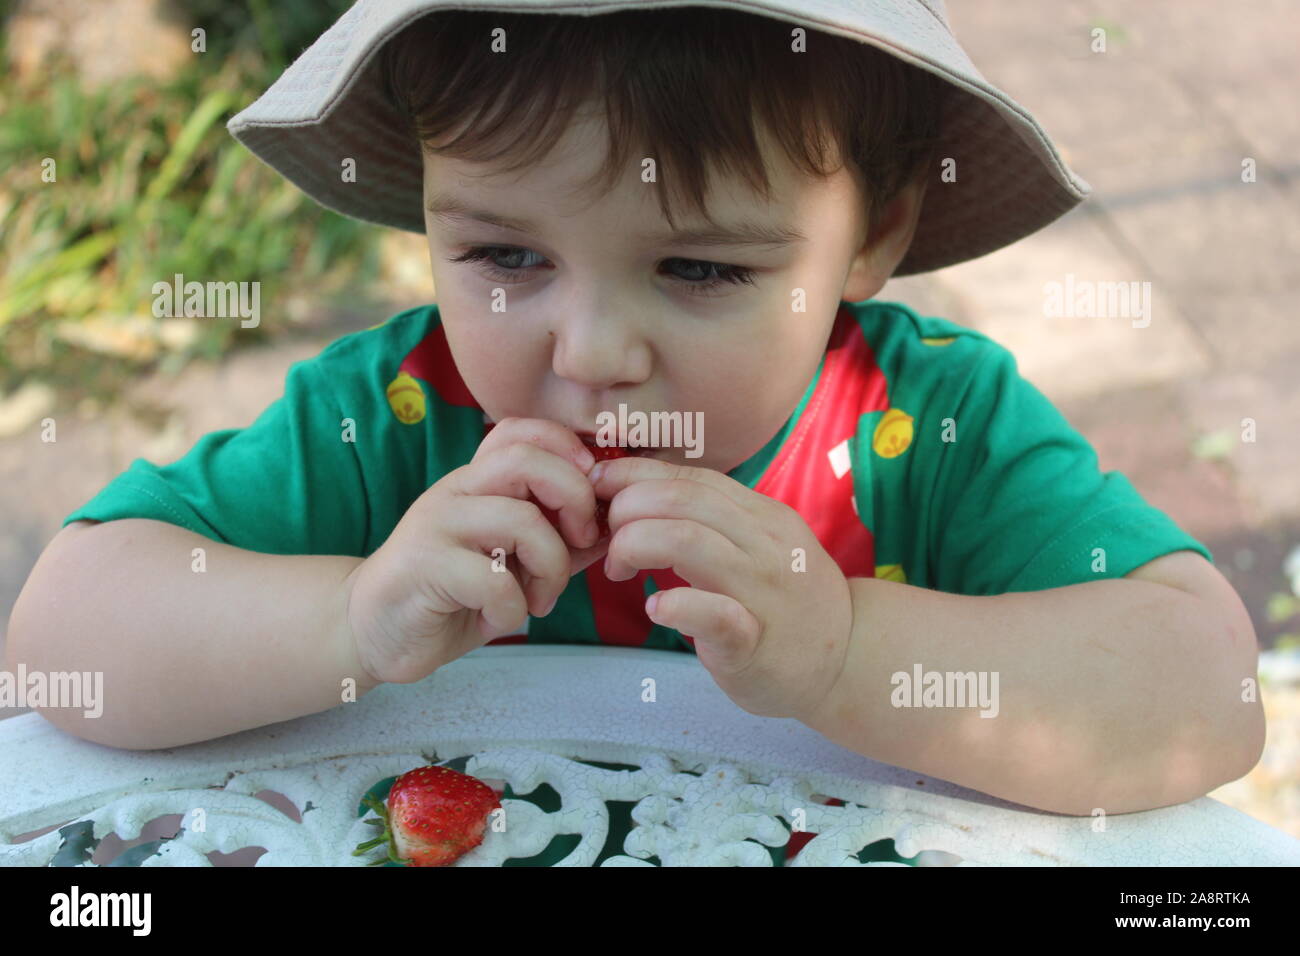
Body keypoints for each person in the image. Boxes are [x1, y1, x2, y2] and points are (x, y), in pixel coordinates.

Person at [7, 0, 1263, 822]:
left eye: (704, 270)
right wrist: (348, 614)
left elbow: (1207, 691)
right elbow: (59, 637)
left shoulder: (922, 426)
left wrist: (842, 652)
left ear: (874, 234)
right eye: (504, 257)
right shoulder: (396, 415)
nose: (593, 349)